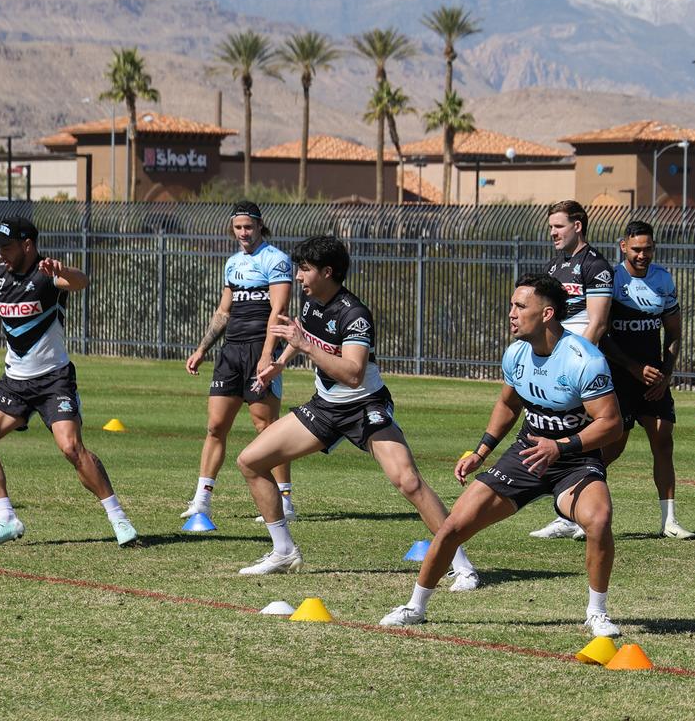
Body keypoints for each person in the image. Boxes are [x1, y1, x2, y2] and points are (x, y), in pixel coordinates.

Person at [380, 273, 623, 636]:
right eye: (512, 304)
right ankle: (415, 607)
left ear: (547, 314)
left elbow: (611, 423)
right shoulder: (516, 354)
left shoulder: (584, 359)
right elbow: (508, 406)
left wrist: (560, 447)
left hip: (572, 460)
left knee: (599, 521)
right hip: (526, 454)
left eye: (520, 306)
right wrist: (481, 451)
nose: (511, 313)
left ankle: (597, 613)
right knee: (452, 528)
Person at [236, 234, 478, 589]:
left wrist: (303, 346)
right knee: (250, 461)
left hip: (366, 407)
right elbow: (305, 333)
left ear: (327, 272)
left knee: (408, 481)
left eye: (304, 270)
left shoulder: (354, 315)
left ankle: (462, 565)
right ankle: (283, 550)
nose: (298, 277)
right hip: (324, 408)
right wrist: (281, 362)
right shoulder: (310, 303)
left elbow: (352, 374)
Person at [0, 216, 137, 546]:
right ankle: (6, 519)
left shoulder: (48, 276)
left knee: (71, 448)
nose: (0, 254)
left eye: (7, 247)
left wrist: (63, 272)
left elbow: (82, 281)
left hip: (53, 380)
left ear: (28, 245)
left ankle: (118, 518)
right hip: (14, 382)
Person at [180, 201, 296, 522]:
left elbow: (279, 310)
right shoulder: (232, 264)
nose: (243, 233)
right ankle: (202, 500)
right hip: (231, 352)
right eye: (238, 227)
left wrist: (266, 354)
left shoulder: (276, 260)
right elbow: (224, 312)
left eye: (248, 227)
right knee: (216, 426)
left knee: (266, 428)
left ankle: (285, 501)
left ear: (260, 226)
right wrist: (202, 348)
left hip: (259, 349)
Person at [600, 220, 694, 539]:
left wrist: (665, 374)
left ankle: (669, 521)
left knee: (663, 443)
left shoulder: (663, 280)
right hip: (619, 377)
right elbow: (603, 335)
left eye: (648, 249)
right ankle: (570, 511)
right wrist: (632, 368)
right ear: (623, 246)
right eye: (637, 249)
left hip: (654, 381)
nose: (643, 255)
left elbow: (675, 332)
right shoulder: (612, 279)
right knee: (612, 448)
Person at [530, 199, 614, 540]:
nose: (552, 232)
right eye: (551, 226)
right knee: (555, 434)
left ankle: (583, 512)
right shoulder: (555, 267)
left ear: (577, 226)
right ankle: (569, 511)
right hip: (558, 364)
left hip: (581, 371)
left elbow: (598, 323)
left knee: (583, 441)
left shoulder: (597, 266)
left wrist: (574, 361)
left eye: (558, 226)